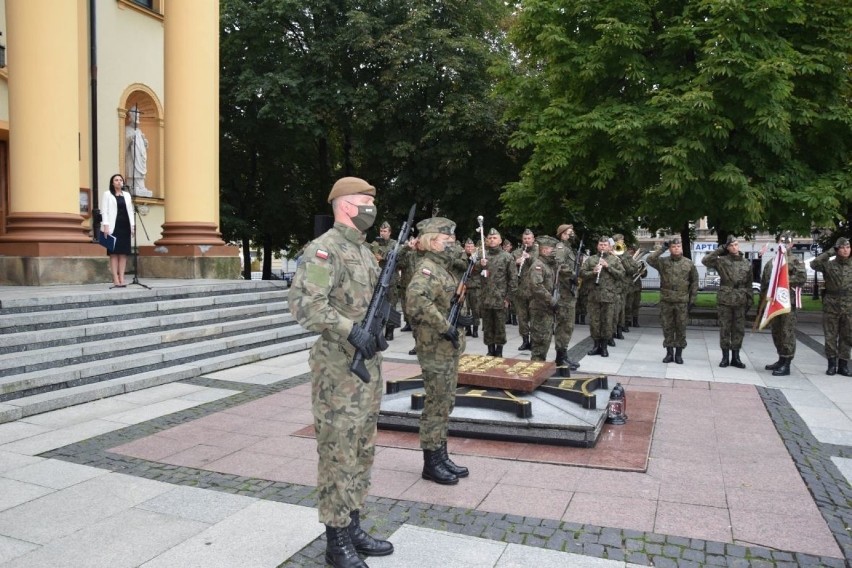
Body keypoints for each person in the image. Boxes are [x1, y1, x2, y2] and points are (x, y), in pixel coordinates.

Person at [288, 176, 394, 568]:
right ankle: (336, 541)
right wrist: (353, 331)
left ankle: (353, 525)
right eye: (366, 201)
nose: (372, 208)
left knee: (362, 449)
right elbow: (306, 308)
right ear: (346, 206)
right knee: (337, 453)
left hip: (366, 367)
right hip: (337, 368)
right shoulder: (323, 251)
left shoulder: (365, 252)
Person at [405, 217, 469, 485]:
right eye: (445, 239)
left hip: (446, 347)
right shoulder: (427, 269)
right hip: (434, 346)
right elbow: (415, 300)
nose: (450, 243)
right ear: (432, 241)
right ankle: (431, 462)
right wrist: (445, 325)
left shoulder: (444, 269)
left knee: (445, 402)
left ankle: (441, 455)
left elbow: (442, 301)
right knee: (436, 403)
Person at [702, 235, 753, 368]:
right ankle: (725, 357)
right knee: (725, 328)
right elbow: (705, 261)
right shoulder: (722, 261)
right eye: (731, 245)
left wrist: (750, 300)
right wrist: (720, 249)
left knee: (738, 329)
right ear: (727, 247)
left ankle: (736, 357)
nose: (734, 247)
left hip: (741, 299)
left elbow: (749, 283)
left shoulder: (746, 263)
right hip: (725, 299)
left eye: (736, 244)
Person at [761, 234, 807, 376]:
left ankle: (787, 363)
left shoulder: (795, 261)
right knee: (776, 332)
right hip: (774, 304)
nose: (784, 244)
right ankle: (781, 358)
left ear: (792, 244)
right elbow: (765, 283)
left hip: (787, 303)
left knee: (787, 332)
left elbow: (801, 278)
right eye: (782, 241)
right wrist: (762, 304)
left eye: (787, 242)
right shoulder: (771, 262)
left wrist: (782, 281)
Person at [646, 238, 699, 364]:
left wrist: (692, 299)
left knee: (681, 327)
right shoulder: (663, 262)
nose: (676, 248)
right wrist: (662, 248)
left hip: (681, 300)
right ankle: (669, 353)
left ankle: (679, 354)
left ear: (681, 248)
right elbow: (650, 259)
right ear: (670, 249)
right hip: (667, 300)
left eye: (679, 246)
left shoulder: (688, 263)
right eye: (673, 246)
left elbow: (694, 282)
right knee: (667, 326)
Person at [810, 236, 852, 376]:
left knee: (847, 336)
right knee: (830, 336)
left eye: (847, 247)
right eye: (842, 248)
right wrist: (829, 253)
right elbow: (814, 264)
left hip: (849, 305)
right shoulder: (829, 265)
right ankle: (831, 364)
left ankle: (843, 365)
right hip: (831, 305)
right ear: (837, 249)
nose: (845, 250)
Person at [474, 228, 518, 357]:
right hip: (485, 298)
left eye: (495, 238)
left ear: (500, 241)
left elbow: (513, 279)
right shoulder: (483, 256)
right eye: (489, 238)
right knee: (487, 327)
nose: (492, 240)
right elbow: (472, 273)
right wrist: (479, 265)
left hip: (500, 298)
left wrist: (508, 298)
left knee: (499, 327)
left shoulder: (506, 257)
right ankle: (490, 350)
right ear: (486, 241)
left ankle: (499, 351)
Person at [581, 236, 625, 356]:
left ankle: (604, 347)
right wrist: (592, 272)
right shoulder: (591, 260)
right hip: (594, 296)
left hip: (609, 297)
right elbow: (582, 273)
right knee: (594, 322)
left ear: (609, 247)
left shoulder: (614, 260)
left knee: (607, 322)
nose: (602, 247)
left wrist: (608, 267)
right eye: (601, 245)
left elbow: (622, 275)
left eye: (605, 245)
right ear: (597, 246)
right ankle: (596, 346)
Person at [528, 235, 559, 361]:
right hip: (539, 309)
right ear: (545, 250)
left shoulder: (549, 265)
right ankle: (535, 368)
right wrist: (551, 300)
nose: (555, 252)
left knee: (545, 340)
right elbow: (537, 287)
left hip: (547, 309)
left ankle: (540, 366)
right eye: (553, 249)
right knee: (539, 341)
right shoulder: (538, 265)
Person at [553, 224, 580, 371]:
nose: (573, 234)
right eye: (570, 232)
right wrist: (572, 275)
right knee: (564, 326)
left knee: (568, 326)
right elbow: (559, 265)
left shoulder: (569, 249)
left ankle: (563, 355)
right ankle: (560, 358)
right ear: (563, 234)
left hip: (569, 293)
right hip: (563, 293)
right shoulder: (561, 248)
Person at [101, 174, 135, 288]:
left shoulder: (127, 195)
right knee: (114, 253)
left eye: (121, 180)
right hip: (113, 226)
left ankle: (122, 277)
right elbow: (104, 211)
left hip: (125, 226)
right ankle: (115, 278)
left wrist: (132, 226)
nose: (119, 182)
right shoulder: (107, 194)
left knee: (123, 253)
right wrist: (105, 225)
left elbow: (130, 211)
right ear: (112, 182)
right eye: (116, 180)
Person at [370, 222, 399, 341]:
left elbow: (398, 258)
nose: (382, 233)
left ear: (390, 232)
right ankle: (377, 330)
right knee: (377, 305)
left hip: (391, 279)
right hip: (378, 278)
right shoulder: (374, 244)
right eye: (381, 231)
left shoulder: (395, 244)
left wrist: (383, 257)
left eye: (385, 231)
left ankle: (390, 330)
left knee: (391, 305)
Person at [513, 229, 537, 350]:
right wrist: (515, 262)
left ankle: (533, 341)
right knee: (522, 318)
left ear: (533, 239)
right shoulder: (517, 252)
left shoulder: (538, 252)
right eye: (525, 239)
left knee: (534, 317)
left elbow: (542, 265)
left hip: (534, 291)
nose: (527, 241)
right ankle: (525, 340)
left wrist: (530, 258)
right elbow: (509, 267)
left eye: (529, 238)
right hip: (520, 290)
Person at [124, 108, 152, 197]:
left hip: (139, 156)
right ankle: (132, 186)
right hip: (132, 157)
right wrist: (130, 138)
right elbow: (124, 143)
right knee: (133, 171)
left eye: (138, 116)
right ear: (130, 117)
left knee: (139, 172)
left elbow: (142, 145)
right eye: (135, 116)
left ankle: (141, 187)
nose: (137, 118)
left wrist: (145, 143)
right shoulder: (127, 129)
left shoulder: (139, 131)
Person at [463, 238, 482, 338]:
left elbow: (481, 268)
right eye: (467, 246)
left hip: (475, 287)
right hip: (464, 286)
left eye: (471, 246)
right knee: (466, 310)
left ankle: (475, 329)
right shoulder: (462, 258)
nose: (469, 248)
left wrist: (475, 261)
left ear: (474, 248)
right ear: (464, 248)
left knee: (475, 309)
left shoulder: (478, 258)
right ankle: (467, 329)